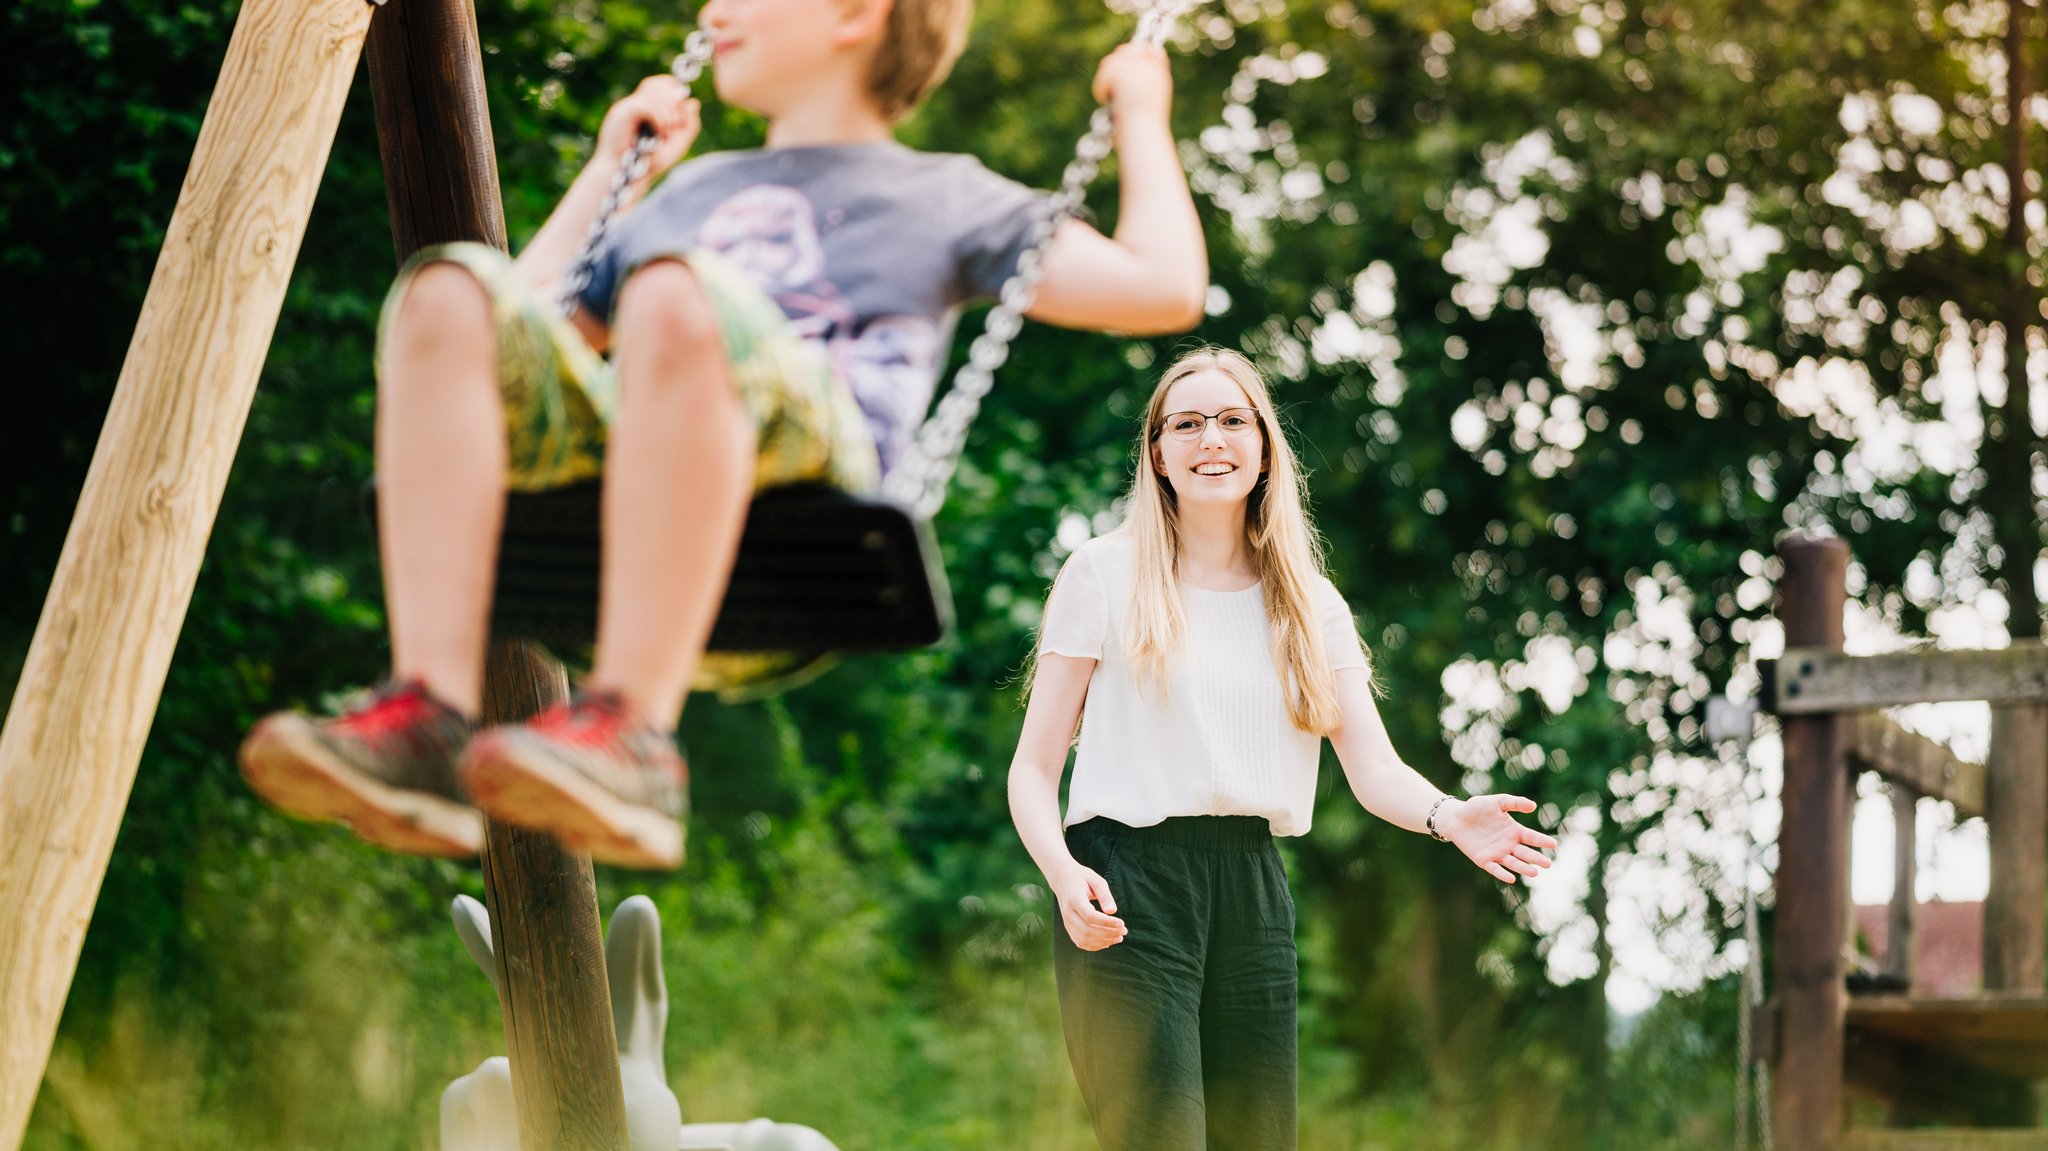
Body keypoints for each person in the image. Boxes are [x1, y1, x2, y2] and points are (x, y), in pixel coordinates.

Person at [237, 0, 1207, 869]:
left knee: (671, 285)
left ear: (856, 14)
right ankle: (428, 723)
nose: (715, 10)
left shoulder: (943, 195)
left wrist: (1139, 116)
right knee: (445, 288)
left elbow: (1161, 287)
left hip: (807, 493)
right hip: (635, 488)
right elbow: (497, 346)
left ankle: (633, 734)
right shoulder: (691, 192)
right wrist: (607, 176)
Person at [1006, 347, 1557, 1151]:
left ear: (1264, 446)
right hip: (1124, 882)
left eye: (1233, 420)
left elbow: (1373, 769)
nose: (1211, 440)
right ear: (1157, 452)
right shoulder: (1103, 572)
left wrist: (1449, 815)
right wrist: (1063, 875)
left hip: (1252, 887)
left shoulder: (1308, 604)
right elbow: (1033, 767)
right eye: (1186, 424)